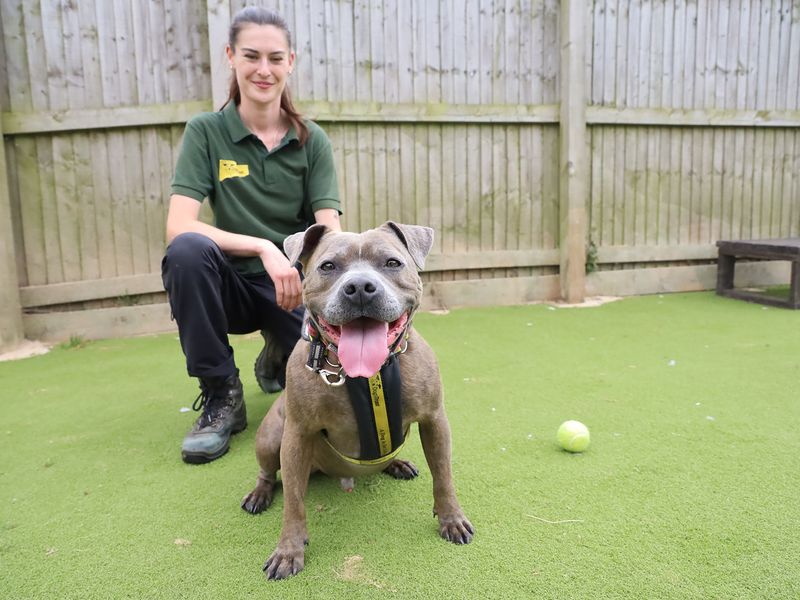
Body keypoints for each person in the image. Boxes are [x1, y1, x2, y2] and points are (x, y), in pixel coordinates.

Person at [161, 7, 342, 464]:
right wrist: (263, 246)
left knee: (327, 378)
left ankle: (280, 351)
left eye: (275, 58)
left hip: (290, 285)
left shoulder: (311, 140)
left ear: (290, 63)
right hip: (229, 286)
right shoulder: (205, 132)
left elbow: (331, 229)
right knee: (185, 251)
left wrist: (305, 274)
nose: (264, 70)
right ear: (231, 57)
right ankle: (222, 393)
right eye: (252, 56)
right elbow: (179, 223)